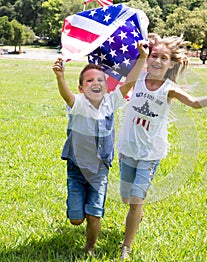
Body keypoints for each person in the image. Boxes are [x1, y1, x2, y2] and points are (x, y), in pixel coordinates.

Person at [117, 33, 207, 260]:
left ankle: (126, 247)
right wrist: (141, 56)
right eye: (154, 55)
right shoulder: (137, 78)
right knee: (126, 198)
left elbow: (194, 103)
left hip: (151, 153)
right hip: (127, 149)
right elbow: (123, 89)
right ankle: (137, 212)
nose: (158, 61)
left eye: (164, 58)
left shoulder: (169, 88)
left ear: (171, 63)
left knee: (135, 201)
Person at [52, 40, 148, 256]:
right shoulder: (76, 104)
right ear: (81, 88)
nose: (95, 84)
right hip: (77, 170)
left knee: (94, 215)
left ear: (106, 87)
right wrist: (60, 76)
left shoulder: (110, 102)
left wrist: (141, 57)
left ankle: (90, 248)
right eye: (89, 81)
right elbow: (64, 93)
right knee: (76, 219)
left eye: (100, 81)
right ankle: (79, 209)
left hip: (99, 170)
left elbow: (130, 81)